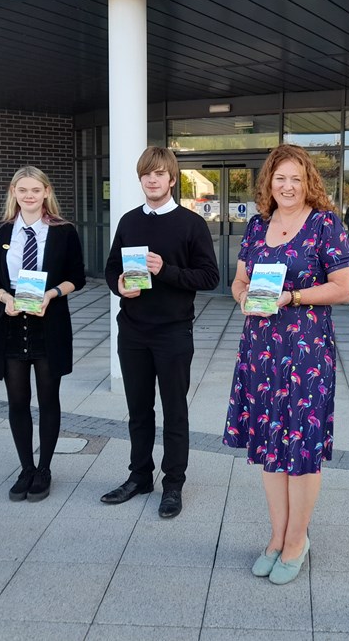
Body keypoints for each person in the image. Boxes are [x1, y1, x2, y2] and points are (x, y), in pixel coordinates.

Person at [223, 143, 349, 585]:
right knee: (268, 446)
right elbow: (239, 280)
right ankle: (276, 537)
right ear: (269, 182)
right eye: (280, 178)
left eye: (296, 178)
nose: (288, 186)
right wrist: (244, 298)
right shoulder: (258, 226)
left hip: (305, 353)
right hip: (260, 351)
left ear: (308, 181)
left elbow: (344, 287)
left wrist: (293, 296)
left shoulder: (325, 225)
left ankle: (298, 540)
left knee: (300, 449)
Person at [102, 147, 219, 519]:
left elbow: (209, 277)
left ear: (172, 179)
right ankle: (139, 477)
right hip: (133, 331)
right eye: (146, 174)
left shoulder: (190, 224)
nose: (152, 180)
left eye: (159, 174)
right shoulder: (129, 221)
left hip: (173, 332)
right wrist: (120, 285)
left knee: (174, 412)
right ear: (141, 180)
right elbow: (109, 270)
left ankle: (173, 485)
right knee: (138, 410)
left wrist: (165, 270)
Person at [0, 165, 86, 502]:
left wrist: (51, 294)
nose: (29, 196)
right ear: (14, 193)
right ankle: (25, 467)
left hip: (48, 323)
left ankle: (44, 469)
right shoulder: (0, 233)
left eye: (35, 190)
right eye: (23, 190)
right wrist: (5, 298)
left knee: (48, 399)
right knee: (17, 401)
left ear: (46, 193)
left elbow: (77, 277)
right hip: (11, 323)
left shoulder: (63, 231)